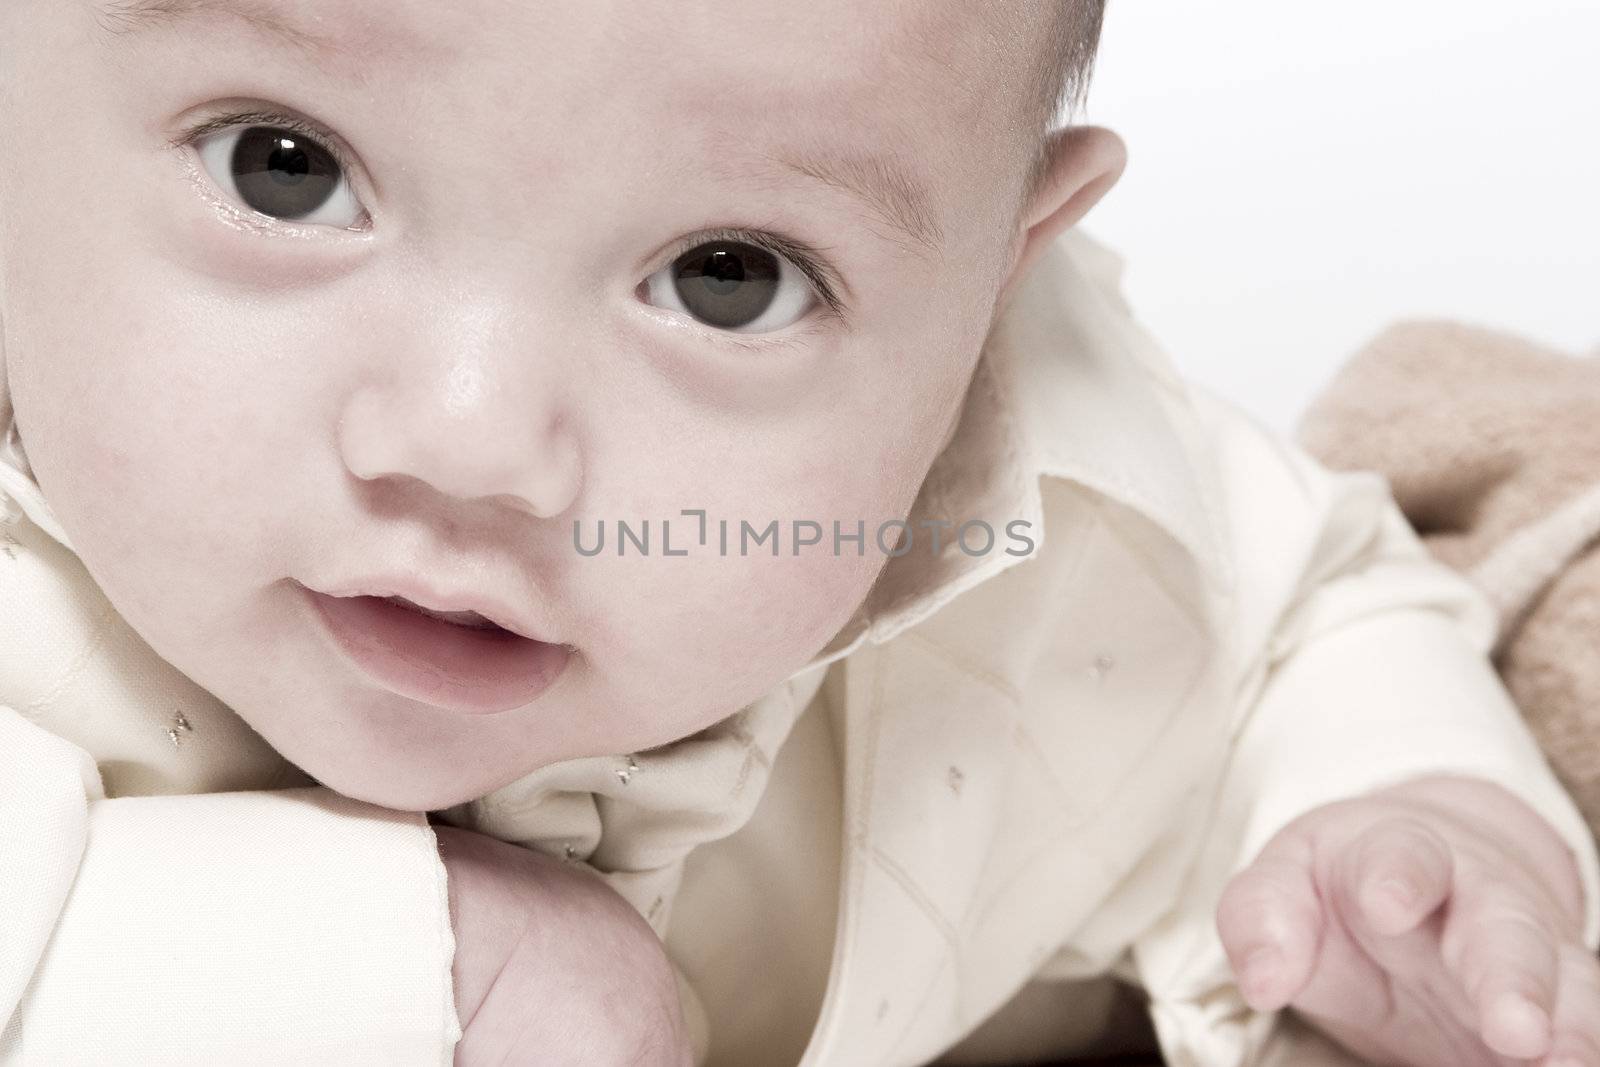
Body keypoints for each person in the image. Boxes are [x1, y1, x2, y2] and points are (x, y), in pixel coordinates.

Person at [2, 1, 1596, 1064]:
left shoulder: (1061, 512)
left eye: (727, 279)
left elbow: (1303, 616)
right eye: (284, 173)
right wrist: (383, 962)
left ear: (997, 285)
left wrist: (1406, 816)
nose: (476, 444)